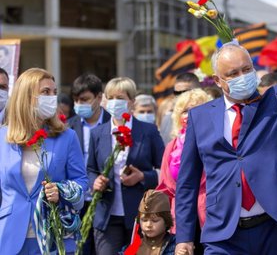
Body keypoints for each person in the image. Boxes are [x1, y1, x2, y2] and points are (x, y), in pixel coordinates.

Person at [174, 0, 277, 255]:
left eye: (246, 69)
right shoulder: (200, 117)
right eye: (232, 74)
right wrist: (184, 237)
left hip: (273, 227)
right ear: (217, 80)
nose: (241, 77)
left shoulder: (276, 104)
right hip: (223, 234)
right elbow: (187, 183)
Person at [0, 68, 88, 254]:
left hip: (53, 236)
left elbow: (81, 182)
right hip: (9, 235)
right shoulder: (2, 137)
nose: (51, 97)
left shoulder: (67, 137)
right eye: (45, 92)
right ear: (26, 96)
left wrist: (62, 191)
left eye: (54, 92)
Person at [88, 77, 164, 254]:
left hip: (143, 215)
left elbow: (165, 169)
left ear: (132, 101)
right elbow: (90, 169)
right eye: (111, 98)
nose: (115, 103)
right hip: (107, 214)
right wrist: (95, 181)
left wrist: (144, 177)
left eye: (121, 98)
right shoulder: (97, 134)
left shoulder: (148, 131)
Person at [157, 89, 211, 254]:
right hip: (180, 220)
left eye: (196, 109)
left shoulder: (215, 142)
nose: (190, 115)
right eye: (185, 110)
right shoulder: (172, 146)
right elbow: (165, 187)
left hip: (210, 217)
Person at [68, 72, 111, 255]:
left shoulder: (113, 124)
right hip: (76, 202)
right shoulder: (68, 127)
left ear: (99, 97)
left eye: (84, 99)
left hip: (105, 201)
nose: (79, 105)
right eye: (76, 100)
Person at [121, 190, 176, 254]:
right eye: (144, 220)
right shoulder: (134, 245)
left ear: (166, 221)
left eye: (155, 221)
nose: (148, 225)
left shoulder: (175, 244)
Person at [159, 73, 202, 144]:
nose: (182, 97)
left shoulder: (209, 118)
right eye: (177, 93)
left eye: (186, 92)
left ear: (199, 92)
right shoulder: (168, 119)